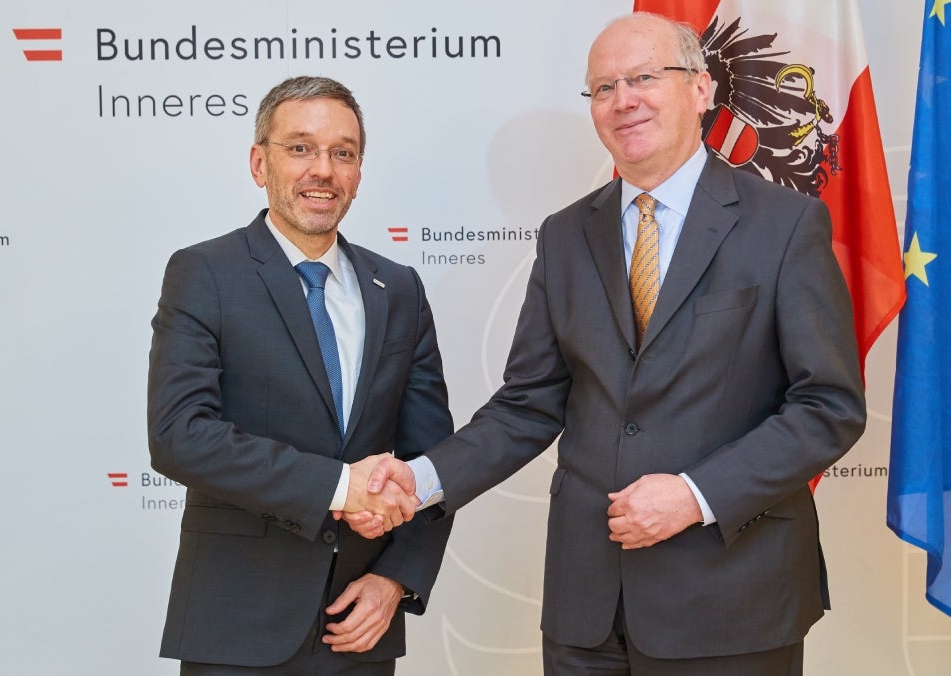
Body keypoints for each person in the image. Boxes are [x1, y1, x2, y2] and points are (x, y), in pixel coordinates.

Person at [354, 12, 867, 675]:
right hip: (587, 607)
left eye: (645, 77)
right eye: (604, 87)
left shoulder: (785, 224)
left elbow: (828, 407)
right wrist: (420, 479)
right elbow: (527, 405)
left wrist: (695, 495)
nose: (624, 100)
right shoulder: (564, 235)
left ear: (701, 89)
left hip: (733, 600)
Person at [147, 75, 453, 674]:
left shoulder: (399, 289)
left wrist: (396, 578)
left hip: (361, 626)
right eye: (300, 148)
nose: (323, 170)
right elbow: (179, 435)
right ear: (259, 163)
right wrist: (340, 487)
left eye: (343, 153)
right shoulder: (204, 273)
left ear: (359, 173)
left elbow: (432, 461)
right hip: (236, 626)